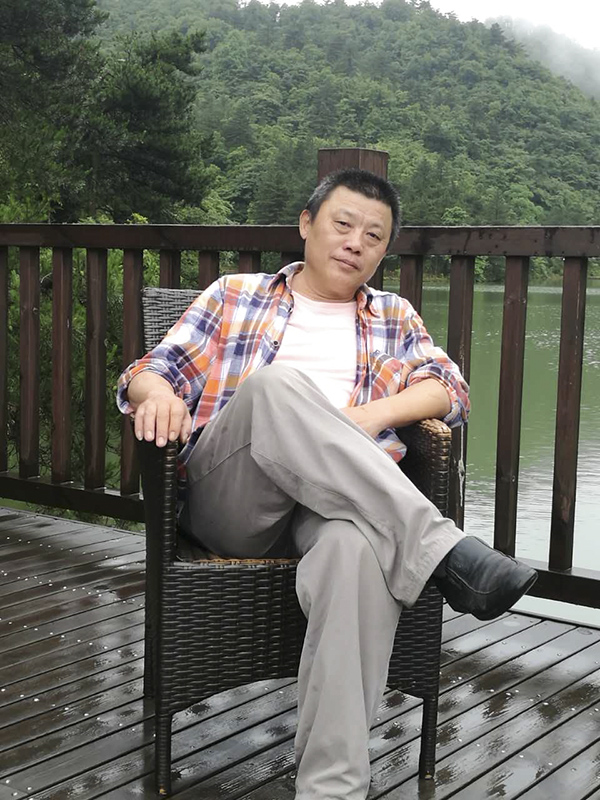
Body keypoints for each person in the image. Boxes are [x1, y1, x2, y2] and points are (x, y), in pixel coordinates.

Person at [117, 168, 537, 800]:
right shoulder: (236, 295)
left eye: (374, 235)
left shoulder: (392, 315)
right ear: (307, 225)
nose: (355, 243)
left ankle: (331, 790)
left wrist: (363, 418)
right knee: (276, 387)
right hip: (235, 502)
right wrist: (157, 396)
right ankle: (442, 550)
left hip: (338, 506)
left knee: (356, 551)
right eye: (342, 224)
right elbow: (150, 371)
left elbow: (449, 390)